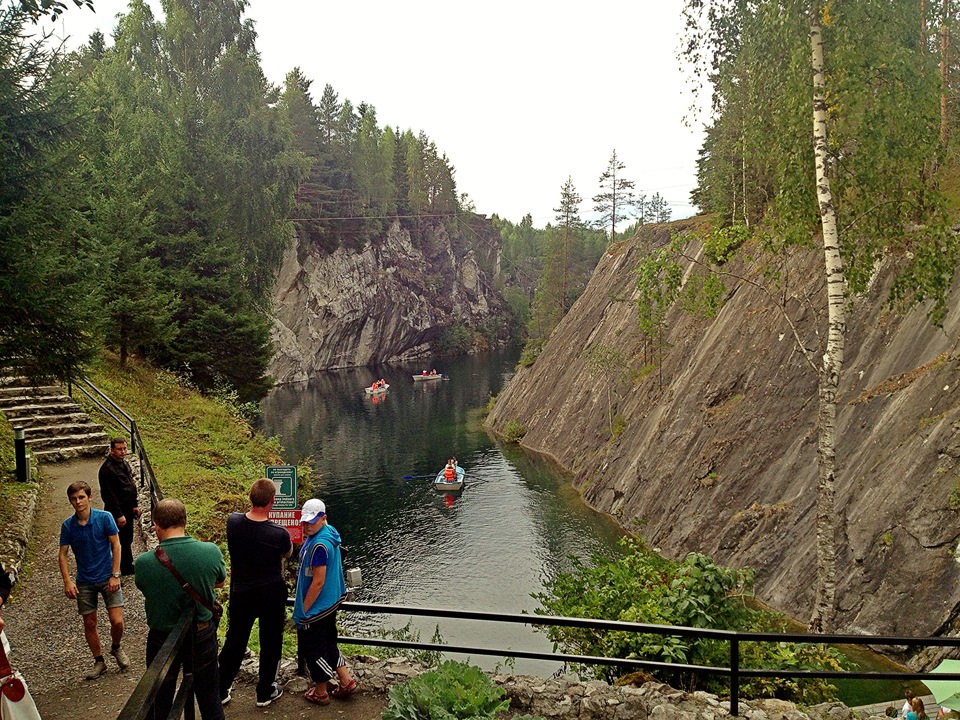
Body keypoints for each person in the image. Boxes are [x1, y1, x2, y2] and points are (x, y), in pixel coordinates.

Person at [135, 499, 226, 720]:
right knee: (210, 698)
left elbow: (146, 587)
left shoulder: (144, 563)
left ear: (156, 525)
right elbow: (220, 582)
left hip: (162, 638)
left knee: (159, 700)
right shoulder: (210, 552)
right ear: (185, 521)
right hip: (202, 634)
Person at [218, 479, 292, 707]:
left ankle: (221, 688)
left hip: (242, 592)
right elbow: (286, 553)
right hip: (271, 592)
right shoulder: (279, 533)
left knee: (236, 640)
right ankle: (265, 690)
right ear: (272, 501)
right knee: (271, 641)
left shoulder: (233, 522)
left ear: (250, 497)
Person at [58, 480, 129, 679]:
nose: (78, 502)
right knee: (90, 622)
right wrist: (67, 580)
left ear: (89, 497)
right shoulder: (68, 526)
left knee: (117, 621)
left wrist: (115, 574)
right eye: (74, 499)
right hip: (85, 580)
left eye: (81, 497)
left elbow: (116, 544)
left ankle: (116, 647)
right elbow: (62, 554)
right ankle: (99, 661)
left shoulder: (104, 518)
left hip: (107, 576)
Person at [293, 498, 358, 705]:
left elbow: (318, 581)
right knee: (329, 641)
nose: (307, 525)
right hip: (332, 601)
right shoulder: (330, 534)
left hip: (318, 607)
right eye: (305, 521)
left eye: (312, 521)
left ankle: (320, 691)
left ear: (323, 519)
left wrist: (304, 609)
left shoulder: (319, 545)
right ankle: (345, 680)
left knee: (313, 647)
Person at [99, 438, 141, 576]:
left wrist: (134, 505)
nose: (123, 452)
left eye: (124, 448)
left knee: (127, 539)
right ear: (112, 450)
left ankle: (127, 566)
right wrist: (118, 514)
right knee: (117, 541)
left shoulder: (124, 464)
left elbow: (130, 485)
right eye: (119, 449)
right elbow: (109, 496)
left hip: (127, 507)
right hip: (117, 511)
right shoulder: (107, 470)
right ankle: (114, 569)